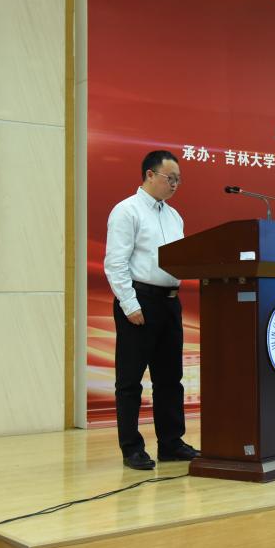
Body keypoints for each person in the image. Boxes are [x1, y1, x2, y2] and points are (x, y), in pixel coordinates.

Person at [104, 150, 199, 469]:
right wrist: (129, 304)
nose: (175, 185)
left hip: (170, 302)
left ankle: (171, 443)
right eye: (170, 178)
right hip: (139, 302)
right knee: (130, 380)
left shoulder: (174, 216)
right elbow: (116, 263)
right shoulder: (127, 211)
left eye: (179, 180)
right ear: (149, 175)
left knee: (170, 379)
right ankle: (131, 448)